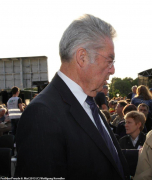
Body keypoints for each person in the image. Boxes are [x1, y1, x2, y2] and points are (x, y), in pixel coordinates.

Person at [15, 14, 130, 179]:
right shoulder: (42, 114)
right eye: (109, 61)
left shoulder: (86, 101)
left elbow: (103, 157)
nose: (112, 70)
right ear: (82, 57)